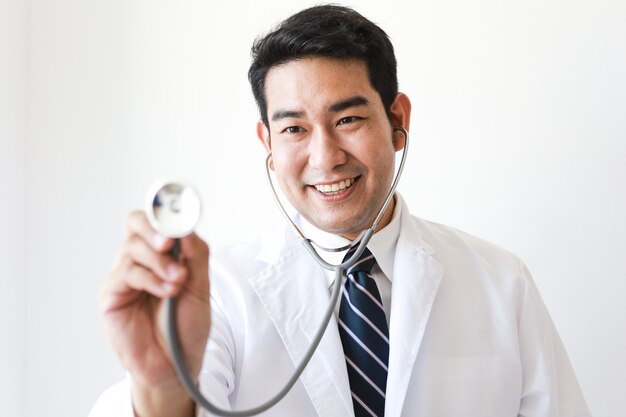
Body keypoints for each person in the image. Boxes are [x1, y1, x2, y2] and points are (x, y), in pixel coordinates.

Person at [90, 5, 591, 417]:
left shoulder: (502, 282)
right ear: (267, 142)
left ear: (397, 120)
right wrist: (161, 388)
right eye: (294, 129)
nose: (325, 157)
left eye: (348, 118)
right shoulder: (216, 294)